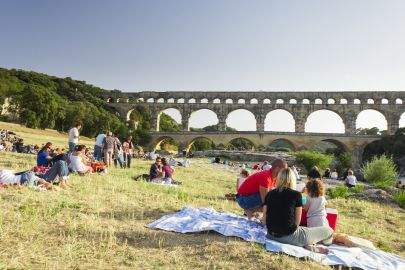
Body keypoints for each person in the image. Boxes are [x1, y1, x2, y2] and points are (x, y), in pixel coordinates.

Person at [262, 168, 334, 254]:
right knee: (329, 231)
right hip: (290, 236)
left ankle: (309, 243)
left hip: (270, 235)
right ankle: (321, 244)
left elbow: (264, 221)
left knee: (305, 231)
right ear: (293, 179)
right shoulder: (296, 195)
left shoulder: (270, 194)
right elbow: (297, 223)